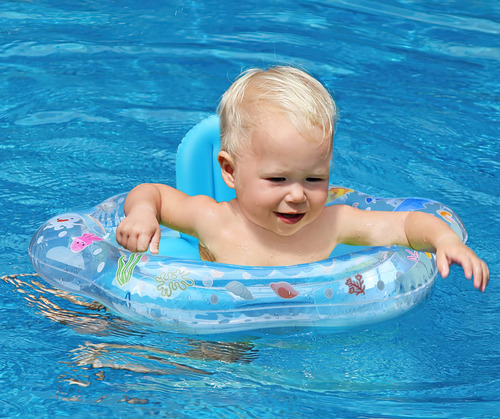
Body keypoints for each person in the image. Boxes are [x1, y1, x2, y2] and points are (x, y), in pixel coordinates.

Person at [116, 66, 489, 291]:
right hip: (221, 323)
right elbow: (152, 194)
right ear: (229, 171)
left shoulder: (333, 223)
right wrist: (142, 214)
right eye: (277, 179)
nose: (297, 195)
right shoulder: (212, 220)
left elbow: (408, 224)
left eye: (314, 178)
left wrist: (444, 240)